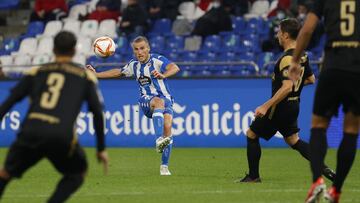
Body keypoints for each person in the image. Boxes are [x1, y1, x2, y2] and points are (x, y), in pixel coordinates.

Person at [0, 31, 109, 202]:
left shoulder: (37, 72)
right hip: (60, 135)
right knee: (77, 173)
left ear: (53, 49)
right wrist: (101, 148)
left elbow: (9, 102)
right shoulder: (84, 76)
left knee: (5, 174)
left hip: (30, 131)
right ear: (74, 51)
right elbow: (96, 111)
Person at [238, 18, 335, 183]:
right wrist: (294, 88)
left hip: (280, 106)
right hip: (293, 104)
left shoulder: (286, 59)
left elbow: (287, 87)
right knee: (293, 140)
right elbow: (311, 79)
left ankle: (253, 176)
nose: (277, 36)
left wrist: (265, 106)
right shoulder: (302, 55)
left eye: (279, 33)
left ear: (286, 35)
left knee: (252, 134)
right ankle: (324, 168)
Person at [289, 0, 360, 202]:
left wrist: (295, 60)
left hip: (333, 66)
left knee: (318, 126)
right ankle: (336, 190)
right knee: (351, 130)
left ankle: (317, 182)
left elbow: (307, 29)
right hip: (357, 69)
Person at [86, 36, 180, 176]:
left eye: (142, 48)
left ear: (148, 48)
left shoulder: (157, 60)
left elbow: (175, 67)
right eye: (136, 49)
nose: (139, 52)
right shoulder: (133, 65)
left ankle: (164, 167)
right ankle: (158, 139)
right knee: (158, 103)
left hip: (166, 99)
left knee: (168, 128)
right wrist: (97, 74)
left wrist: (163, 75)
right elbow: (118, 72)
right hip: (147, 100)